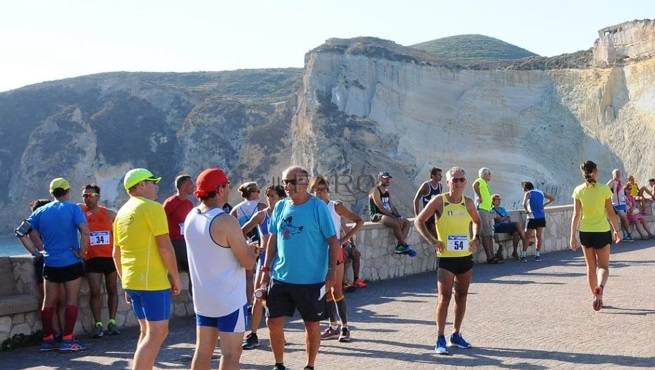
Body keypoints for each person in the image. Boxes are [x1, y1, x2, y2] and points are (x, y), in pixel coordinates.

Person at [261, 166, 340, 370]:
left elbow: (333, 241)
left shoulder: (318, 208)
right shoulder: (279, 207)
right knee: (273, 322)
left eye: (291, 182)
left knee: (312, 324)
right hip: (281, 277)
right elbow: (273, 238)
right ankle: (279, 364)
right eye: (285, 182)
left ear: (304, 184)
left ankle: (309, 365)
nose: (287, 186)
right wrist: (266, 269)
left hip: (311, 280)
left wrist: (331, 272)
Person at [184, 168, 258, 370]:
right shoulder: (226, 221)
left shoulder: (191, 216)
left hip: (204, 299)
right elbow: (248, 263)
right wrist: (253, 250)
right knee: (231, 354)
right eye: (226, 184)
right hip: (229, 300)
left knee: (203, 351)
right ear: (219, 190)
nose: (229, 188)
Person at [113, 168, 181, 370]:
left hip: (132, 281)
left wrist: (125, 282)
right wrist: (175, 277)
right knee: (158, 333)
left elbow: (116, 254)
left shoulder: (121, 213)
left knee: (146, 332)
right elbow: (165, 247)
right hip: (152, 281)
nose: (156, 186)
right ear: (141, 185)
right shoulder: (152, 207)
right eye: (153, 182)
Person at [415, 167, 481, 355]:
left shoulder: (467, 203)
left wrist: (475, 238)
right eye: (455, 180)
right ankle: (440, 337)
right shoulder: (439, 201)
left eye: (461, 179)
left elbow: (477, 221)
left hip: (465, 257)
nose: (458, 183)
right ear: (448, 182)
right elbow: (419, 221)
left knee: (462, 296)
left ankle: (456, 334)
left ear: (465, 182)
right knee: (444, 297)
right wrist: (433, 241)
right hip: (446, 259)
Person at [26, 178, 90, 352]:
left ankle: (47, 339)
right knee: (71, 301)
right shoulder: (73, 208)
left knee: (48, 302)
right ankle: (67, 340)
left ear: (51, 193)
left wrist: (36, 251)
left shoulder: (41, 211)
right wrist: (82, 252)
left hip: (50, 263)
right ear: (68, 191)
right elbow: (85, 231)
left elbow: (21, 231)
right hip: (71, 262)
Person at [311, 175, 363, 343]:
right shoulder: (311, 208)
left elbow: (359, 221)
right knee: (325, 291)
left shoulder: (335, 206)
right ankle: (332, 326)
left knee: (337, 291)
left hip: (335, 252)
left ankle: (345, 327)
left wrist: (343, 240)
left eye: (323, 189)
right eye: (317, 189)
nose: (320, 192)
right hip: (318, 253)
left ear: (328, 190)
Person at [570, 160, 621, 311]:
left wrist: (572, 236)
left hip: (585, 232)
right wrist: (617, 230)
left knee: (590, 267)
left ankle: (595, 296)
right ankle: (600, 288)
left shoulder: (578, 190)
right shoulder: (604, 189)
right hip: (602, 231)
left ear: (583, 172)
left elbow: (576, 215)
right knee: (603, 266)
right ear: (595, 171)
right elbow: (611, 213)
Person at [241, 184, 286, 350]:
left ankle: (279, 333)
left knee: (279, 299)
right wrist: (249, 245)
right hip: (263, 260)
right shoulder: (262, 215)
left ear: (282, 198)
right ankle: (253, 334)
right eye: (267, 196)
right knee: (258, 296)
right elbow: (242, 231)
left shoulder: (288, 214)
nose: (269, 199)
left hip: (282, 261)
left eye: (272, 196)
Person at [15, 199, 65, 342]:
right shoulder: (38, 221)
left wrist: (35, 252)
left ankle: (57, 334)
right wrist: (36, 252)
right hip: (51, 261)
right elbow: (20, 233)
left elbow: (20, 233)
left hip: (45, 260)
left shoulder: (33, 221)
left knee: (53, 301)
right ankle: (58, 334)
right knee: (55, 301)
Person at [80, 184, 120, 338]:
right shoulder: (80, 212)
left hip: (109, 257)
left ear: (97, 197)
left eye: (89, 195)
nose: (86, 198)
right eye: (84, 195)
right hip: (92, 258)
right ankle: (98, 325)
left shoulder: (109, 214)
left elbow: (122, 230)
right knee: (95, 291)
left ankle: (112, 322)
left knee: (112, 289)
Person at [369, 171, 415, 256]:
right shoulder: (375, 190)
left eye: (388, 178)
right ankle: (404, 245)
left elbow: (392, 206)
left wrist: (398, 216)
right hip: (377, 215)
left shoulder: (387, 192)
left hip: (387, 215)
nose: (388, 180)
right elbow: (380, 207)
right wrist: (394, 218)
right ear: (380, 179)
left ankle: (400, 245)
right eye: (385, 178)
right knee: (395, 223)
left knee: (406, 222)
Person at [163, 175, 195, 293]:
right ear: (183, 186)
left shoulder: (189, 204)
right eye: (191, 184)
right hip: (174, 243)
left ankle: (194, 300)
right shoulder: (170, 203)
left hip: (186, 242)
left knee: (194, 270)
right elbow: (161, 222)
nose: (193, 187)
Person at [521, 182, 555, 262]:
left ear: (526, 188)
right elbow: (552, 198)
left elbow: (524, 204)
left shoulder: (528, 193)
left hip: (532, 217)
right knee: (538, 236)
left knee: (527, 237)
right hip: (541, 217)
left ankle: (524, 256)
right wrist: (544, 205)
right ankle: (537, 255)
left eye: (524, 189)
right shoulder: (541, 192)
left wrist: (526, 211)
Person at [473, 168, 500, 263]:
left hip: (487, 210)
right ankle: (490, 257)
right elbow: (474, 185)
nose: (490, 176)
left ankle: (492, 255)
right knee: (485, 235)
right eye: (489, 174)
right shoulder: (480, 181)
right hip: (482, 210)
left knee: (489, 234)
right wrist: (479, 196)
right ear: (484, 174)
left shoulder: (485, 183)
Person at [491, 194, 526, 261]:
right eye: (497, 199)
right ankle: (524, 239)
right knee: (516, 223)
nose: (499, 201)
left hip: (506, 225)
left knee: (516, 233)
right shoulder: (492, 210)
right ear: (493, 201)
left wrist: (505, 218)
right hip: (499, 227)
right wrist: (505, 218)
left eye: (499, 199)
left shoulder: (502, 209)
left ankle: (515, 252)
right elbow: (498, 220)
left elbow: (508, 218)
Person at [413, 167, 443, 238]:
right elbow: (416, 199)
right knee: (437, 236)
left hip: (436, 214)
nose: (441, 176)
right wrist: (416, 215)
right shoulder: (426, 185)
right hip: (428, 214)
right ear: (433, 175)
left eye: (441, 175)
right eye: (439, 175)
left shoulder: (440, 186)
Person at [607, 169, 633, 241]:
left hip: (622, 203)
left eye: (619, 173)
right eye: (616, 173)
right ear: (613, 175)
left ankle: (625, 235)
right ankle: (628, 234)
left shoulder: (621, 182)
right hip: (615, 204)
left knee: (623, 220)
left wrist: (627, 201)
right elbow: (605, 190)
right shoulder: (611, 182)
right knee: (624, 218)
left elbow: (622, 193)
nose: (618, 175)